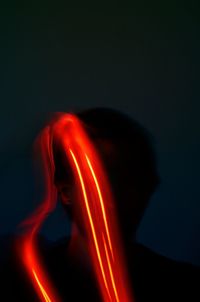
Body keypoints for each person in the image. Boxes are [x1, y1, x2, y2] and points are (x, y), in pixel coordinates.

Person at [0, 107, 199, 301]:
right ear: (66, 192)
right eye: (107, 177)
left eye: (136, 177)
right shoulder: (17, 286)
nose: (125, 191)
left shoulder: (182, 285)